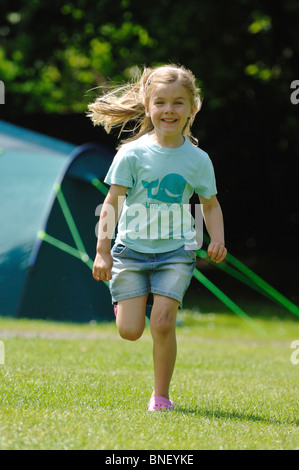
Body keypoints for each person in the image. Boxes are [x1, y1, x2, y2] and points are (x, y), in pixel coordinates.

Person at [88, 64, 227, 412]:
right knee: (131, 331)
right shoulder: (132, 154)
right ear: (149, 107)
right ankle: (125, 302)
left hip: (176, 251)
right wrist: (102, 251)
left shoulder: (198, 160)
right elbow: (111, 203)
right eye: (161, 103)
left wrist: (217, 238)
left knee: (163, 323)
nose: (169, 110)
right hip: (130, 250)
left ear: (192, 108)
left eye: (178, 103)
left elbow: (209, 205)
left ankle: (161, 397)